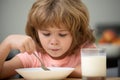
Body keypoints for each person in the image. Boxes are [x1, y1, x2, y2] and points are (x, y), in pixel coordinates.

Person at [0, 0, 96, 79]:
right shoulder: (33, 55)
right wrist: (6, 44)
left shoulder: (85, 49)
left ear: (77, 32)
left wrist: (56, 73)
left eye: (62, 34)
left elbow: (94, 71)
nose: (53, 42)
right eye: (46, 34)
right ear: (35, 32)